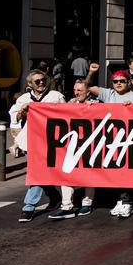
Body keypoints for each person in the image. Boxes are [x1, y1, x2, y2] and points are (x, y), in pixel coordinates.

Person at [85, 64, 133, 218]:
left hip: (130, 140)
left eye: (122, 81)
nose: (118, 83)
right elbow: (88, 87)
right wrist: (92, 72)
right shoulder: (108, 94)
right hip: (111, 139)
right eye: (115, 81)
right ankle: (120, 200)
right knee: (115, 172)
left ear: (128, 82)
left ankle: (127, 202)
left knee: (126, 172)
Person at [12, 70, 66, 222]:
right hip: (30, 141)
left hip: (51, 141)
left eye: (43, 80)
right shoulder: (23, 99)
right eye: (37, 81)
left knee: (39, 171)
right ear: (30, 84)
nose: (41, 83)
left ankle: (29, 206)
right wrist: (23, 112)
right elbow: (14, 118)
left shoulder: (56, 96)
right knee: (39, 171)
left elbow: (68, 114)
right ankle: (52, 197)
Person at [48, 79, 98, 220]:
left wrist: (94, 108)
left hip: (90, 145)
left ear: (87, 92)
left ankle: (87, 203)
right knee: (66, 172)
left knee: (89, 174)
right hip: (72, 145)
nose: (76, 93)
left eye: (80, 90)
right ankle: (66, 206)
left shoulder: (96, 104)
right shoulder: (70, 103)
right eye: (75, 90)